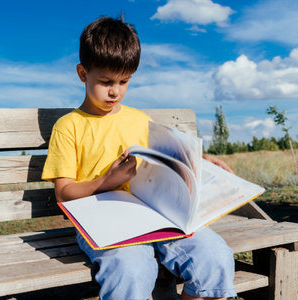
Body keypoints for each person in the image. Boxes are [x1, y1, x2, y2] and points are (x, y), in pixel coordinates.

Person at [42, 16, 236, 300]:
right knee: (130, 269)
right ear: (83, 74)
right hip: (102, 222)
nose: (115, 91)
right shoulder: (69, 126)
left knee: (215, 256)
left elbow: (163, 162)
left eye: (124, 81)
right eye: (106, 81)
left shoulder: (140, 120)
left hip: (157, 216)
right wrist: (107, 181)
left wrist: (199, 163)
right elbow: (64, 194)